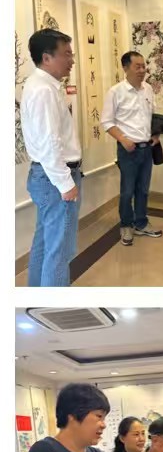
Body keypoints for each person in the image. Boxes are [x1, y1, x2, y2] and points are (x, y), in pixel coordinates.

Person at [22, 29, 81, 287]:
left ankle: (37, 295)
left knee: (45, 242)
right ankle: (54, 302)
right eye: (66, 54)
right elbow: (49, 143)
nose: (72, 60)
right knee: (59, 251)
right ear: (47, 58)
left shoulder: (41, 85)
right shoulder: (44, 90)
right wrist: (66, 183)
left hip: (46, 176)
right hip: (55, 178)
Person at [101, 50, 163, 246]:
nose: (142, 70)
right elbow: (106, 122)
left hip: (147, 148)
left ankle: (141, 223)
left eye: (144, 66)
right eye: (138, 66)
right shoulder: (115, 92)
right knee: (127, 191)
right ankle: (126, 225)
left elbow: (152, 115)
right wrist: (123, 139)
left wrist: (156, 134)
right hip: (128, 150)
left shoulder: (148, 89)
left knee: (143, 190)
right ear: (125, 68)